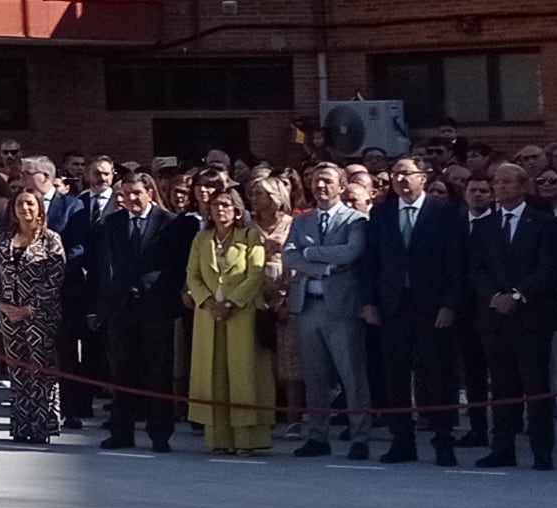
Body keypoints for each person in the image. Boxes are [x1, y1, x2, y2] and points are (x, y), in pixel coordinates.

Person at [364, 153, 465, 468]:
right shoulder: (381, 213)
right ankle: (401, 440)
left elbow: (457, 264)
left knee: (437, 374)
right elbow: (370, 263)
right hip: (393, 306)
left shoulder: (445, 213)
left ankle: (443, 440)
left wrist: (450, 304)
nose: (400, 180)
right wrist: (368, 301)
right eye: (395, 174)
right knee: (395, 375)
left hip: (432, 306)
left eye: (407, 173)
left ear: (424, 177)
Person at [86, 169, 192, 452]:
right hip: (122, 308)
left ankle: (160, 433)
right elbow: (103, 267)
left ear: (149, 193)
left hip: (156, 307)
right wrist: (100, 307)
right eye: (126, 193)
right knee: (122, 370)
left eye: (137, 193)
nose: (131, 198)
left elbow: (180, 267)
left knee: (158, 371)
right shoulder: (112, 223)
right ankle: (121, 431)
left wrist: (169, 301)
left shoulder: (170, 223)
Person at [468, 158, 557, 469]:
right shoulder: (483, 225)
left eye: (508, 182)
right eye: (498, 182)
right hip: (494, 318)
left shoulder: (543, 222)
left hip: (532, 316)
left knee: (535, 384)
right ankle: (502, 448)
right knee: (503, 385)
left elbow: (547, 268)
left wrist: (518, 295)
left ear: (524, 187)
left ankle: (541, 450)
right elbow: (476, 268)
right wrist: (495, 297)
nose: (501, 187)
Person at [285, 164, 375, 458]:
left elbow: (351, 252)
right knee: (315, 377)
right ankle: (317, 436)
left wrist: (309, 253)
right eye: (315, 181)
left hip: (342, 309)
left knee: (352, 374)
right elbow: (289, 256)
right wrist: (324, 267)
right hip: (308, 306)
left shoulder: (355, 219)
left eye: (327, 181)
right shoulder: (302, 221)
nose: (320, 186)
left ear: (341, 185)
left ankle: (360, 436)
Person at [186, 181, 277, 454]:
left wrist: (232, 302)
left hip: (242, 314)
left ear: (238, 211)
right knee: (213, 374)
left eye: (226, 205)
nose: (220, 210)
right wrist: (209, 301)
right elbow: (193, 274)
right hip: (209, 315)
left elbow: (256, 274)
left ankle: (247, 440)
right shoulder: (202, 239)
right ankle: (218, 439)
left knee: (243, 375)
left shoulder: (251, 237)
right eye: (215, 205)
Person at [0, 184, 70, 443]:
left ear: (39, 208)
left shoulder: (51, 239)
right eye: (20, 203)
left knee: (41, 370)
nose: (25, 208)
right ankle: (22, 426)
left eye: (30, 203)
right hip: (9, 314)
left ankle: (43, 426)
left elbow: (55, 278)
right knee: (18, 370)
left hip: (39, 315)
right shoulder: (2, 237)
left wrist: (30, 307)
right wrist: (1, 304)